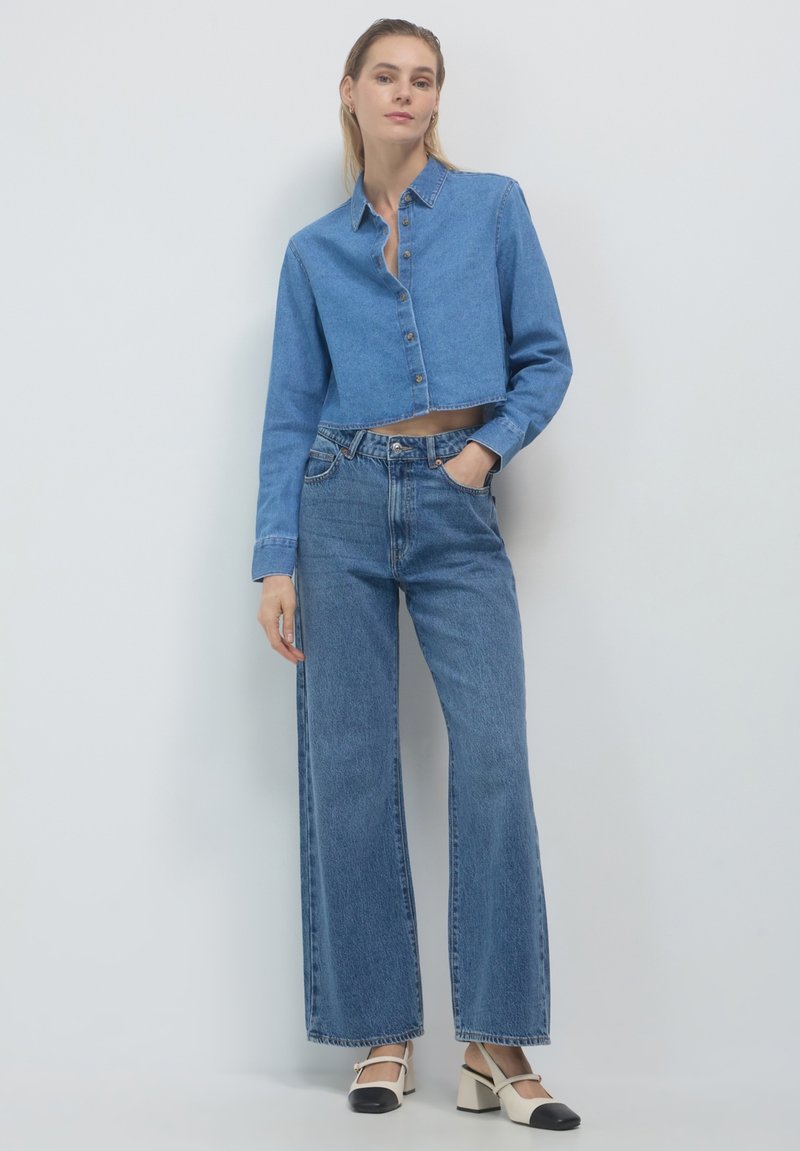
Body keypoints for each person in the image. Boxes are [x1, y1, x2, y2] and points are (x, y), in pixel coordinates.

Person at [252, 17, 580, 1131]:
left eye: (424, 79)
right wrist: (275, 558)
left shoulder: (490, 208)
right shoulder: (313, 251)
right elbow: (289, 408)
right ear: (349, 90)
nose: (406, 93)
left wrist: (481, 453)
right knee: (348, 765)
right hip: (336, 499)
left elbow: (545, 357)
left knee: (492, 758)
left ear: (439, 97)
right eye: (385, 76)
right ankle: (381, 1031)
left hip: (453, 500)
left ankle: (495, 1041)